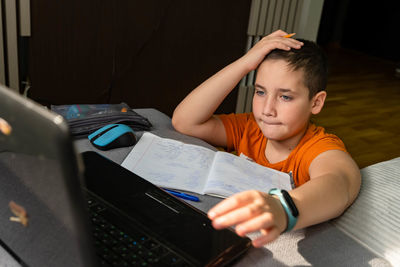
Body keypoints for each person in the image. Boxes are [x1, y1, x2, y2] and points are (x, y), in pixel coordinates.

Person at [171, 30, 361, 247]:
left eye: (285, 97)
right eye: (260, 92)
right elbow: (185, 121)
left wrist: (283, 208)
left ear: (316, 103)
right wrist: (244, 64)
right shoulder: (249, 128)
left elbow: (341, 182)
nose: (267, 110)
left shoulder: (317, 146)